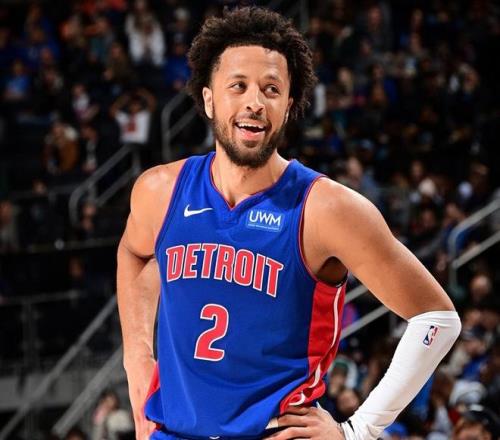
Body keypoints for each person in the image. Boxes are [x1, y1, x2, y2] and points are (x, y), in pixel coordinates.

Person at [117, 7, 461, 440]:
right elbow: (134, 253)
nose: (254, 102)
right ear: (208, 99)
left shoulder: (326, 209)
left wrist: (358, 430)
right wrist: (137, 360)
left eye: (271, 89)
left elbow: (437, 318)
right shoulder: (160, 190)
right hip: (172, 431)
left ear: (289, 105)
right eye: (238, 86)